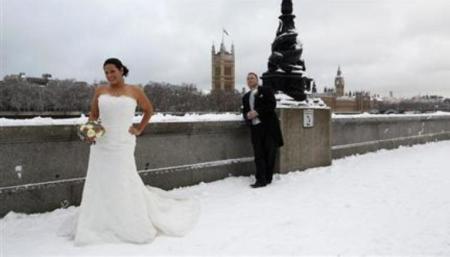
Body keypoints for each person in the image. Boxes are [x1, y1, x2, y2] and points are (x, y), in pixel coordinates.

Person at [73, 58, 200, 245]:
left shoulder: (135, 91)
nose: (109, 75)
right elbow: (94, 114)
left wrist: (139, 128)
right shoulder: (100, 91)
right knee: (100, 179)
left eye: (112, 71)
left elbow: (149, 110)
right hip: (102, 143)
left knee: (124, 178)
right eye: (106, 72)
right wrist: (91, 132)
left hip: (123, 141)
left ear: (121, 70)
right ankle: (100, 221)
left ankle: (128, 218)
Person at [242, 72, 284, 188]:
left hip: (269, 127)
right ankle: (260, 179)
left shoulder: (266, 90)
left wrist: (257, 112)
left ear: (257, 80)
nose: (250, 80)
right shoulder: (245, 97)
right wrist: (247, 116)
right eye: (248, 79)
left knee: (270, 153)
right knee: (258, 154)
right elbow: (244, 112)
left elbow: (272, 105)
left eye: (252, 78)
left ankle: (267, 177)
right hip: (255, 129)